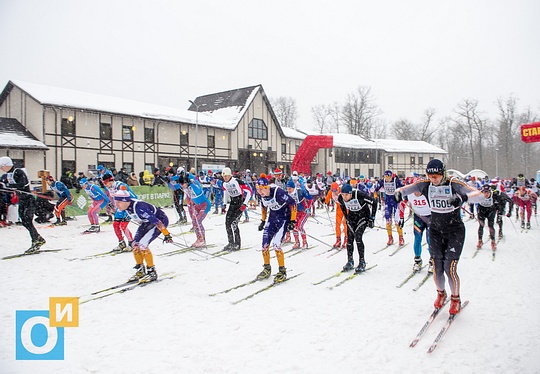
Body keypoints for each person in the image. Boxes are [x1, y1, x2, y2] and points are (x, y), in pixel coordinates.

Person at [395, 159, 483, 315]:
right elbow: (407, 189)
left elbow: (479, 195)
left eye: (436, 175)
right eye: (431, 175)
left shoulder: (453, 183)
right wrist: (399, 193)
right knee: (437, 267)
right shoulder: (425, 184)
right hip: (435, 229)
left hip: (454, 230)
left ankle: (455, 298)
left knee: (450, 268)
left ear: (443, 173)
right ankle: (441, 293)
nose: (433, 179)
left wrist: (462, 198)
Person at [113, 188, 172, 283]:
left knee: (143, 245)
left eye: (118, 202)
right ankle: (140, 270)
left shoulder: (139, 207)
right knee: (134, 244)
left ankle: (151, 271)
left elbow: (157, 221)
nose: (117, 205)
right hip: (146, 222)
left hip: (159, 221)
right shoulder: (126, 207)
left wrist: (166, 234)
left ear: (125, 201)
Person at [255, 176, 297, 283]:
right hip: (272, 219)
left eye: (261, 189)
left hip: (283, 218)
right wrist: (263, 221)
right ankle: (267, 268)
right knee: (264, 245)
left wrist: (292, 220)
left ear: (267, 187)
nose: (260, 192)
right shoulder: (262, 195)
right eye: (258, 189)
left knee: (276, 244)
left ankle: (282, 271)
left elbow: (293, 203)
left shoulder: (277, 192)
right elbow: (264, 207)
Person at [0, 156, 46, 253]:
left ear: (7, 165)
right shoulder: (8, 174)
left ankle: (37, 240)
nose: (1, 169)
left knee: (27, 221)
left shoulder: (18, 172)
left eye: (1, 166)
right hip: (22, 200)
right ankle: (37, 239)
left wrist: (8, 186)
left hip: (28, 199)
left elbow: (22, 184)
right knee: (24, 221)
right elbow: (5, 185)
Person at [337, 183, 377, 273]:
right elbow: (343, 207)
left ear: (351, 193)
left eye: (346, 195)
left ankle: (362, 262)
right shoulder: (341, 198)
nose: (344, 197)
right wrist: (346, 218)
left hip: (363, 216)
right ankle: (350, 261)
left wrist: (372, 218)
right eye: (343, 194)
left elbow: (374, 202)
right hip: (352, 216)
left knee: (358, 237)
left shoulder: (359, 195)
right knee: (349, 238)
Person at [102, 174, 136, 252]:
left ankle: (132, 243)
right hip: (120, 208)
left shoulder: (121, 186)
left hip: (128, 207)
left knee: (123, 226)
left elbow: (133, 197)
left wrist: (129, 208)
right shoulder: (110, 187)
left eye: (105, 183)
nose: (105, 185)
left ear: (109, 181)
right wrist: (112, 204)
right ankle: (121, 243)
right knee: (116, 225)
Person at [221, 167, 252, 251]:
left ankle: (237, 244)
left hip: (239, 202)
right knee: (227, 223)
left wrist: (245, 203)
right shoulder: (224, 184)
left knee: (234, 223)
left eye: (226, 176)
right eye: (224, 177)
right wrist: (224, 204)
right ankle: (231, 242)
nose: (225, 178)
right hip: (232, 202)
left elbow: (249, 191)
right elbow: (225, 193)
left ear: (230, 175)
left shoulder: (237, 181)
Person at [375, 170, 405, 246]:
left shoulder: (396, 181)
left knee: (397, 221)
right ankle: (390, 237)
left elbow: (404, 189)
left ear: (392, 176)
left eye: (388, 177)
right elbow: (376, 189)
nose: (387, 179)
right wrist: (376, 193)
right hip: (388, 202)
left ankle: (401, 237)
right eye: (385, 177)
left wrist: (403, 198)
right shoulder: (383, 181)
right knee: (388, 220)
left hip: (396, 202)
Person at [405, 190, 432, 272]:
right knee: (417, 239)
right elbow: (400, 197)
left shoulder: (428, 193)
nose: (416, 193)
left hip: (430, 218)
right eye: (415, 191)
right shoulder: (409, 194)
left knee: (430, 240)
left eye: (419, 191)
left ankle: (432, 261)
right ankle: (417, 261)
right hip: (418, 219)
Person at [183, 171, 211, 247]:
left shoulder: (194, 185)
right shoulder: (186, 187)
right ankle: (199, 239)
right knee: (194, 222)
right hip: (197, 206)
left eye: (183, 184)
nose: (182, 186)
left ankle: (202, 240)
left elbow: (196, 183)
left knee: (198, 221)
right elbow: (174, 186)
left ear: (186, 183)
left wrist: (190, 176)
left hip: (204, 205)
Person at [285, 179, 313, 249]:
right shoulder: (287, 194)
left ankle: (304, 242)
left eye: (290, 188)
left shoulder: (300, 192)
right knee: (294, 227)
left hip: (304, 212)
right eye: (287, 188)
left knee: (300, 226)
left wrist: (308, 208)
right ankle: (297, 242)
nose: (288, 190)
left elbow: (310, 198)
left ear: (293, 187)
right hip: (295, 213)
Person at [325, 182, 347, 248]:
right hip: (339, 209)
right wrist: (325, 203)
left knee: (345, 223)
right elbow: (327, 198)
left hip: (346, 208)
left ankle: (346, 239)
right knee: (337, 224)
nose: (335, 192)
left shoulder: (343, 190)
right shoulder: (331, 192)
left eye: (336, 190)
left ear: (338, 188)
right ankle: (338, 239)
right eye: (333, 191)